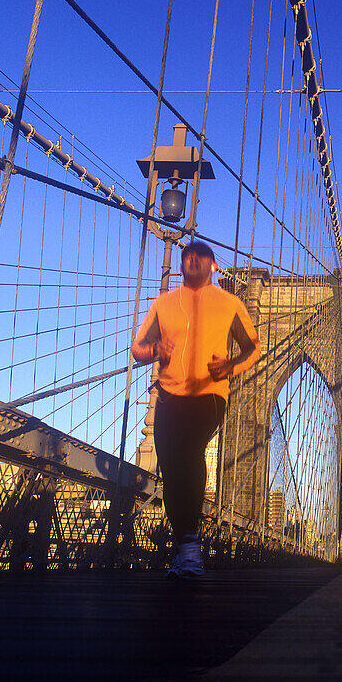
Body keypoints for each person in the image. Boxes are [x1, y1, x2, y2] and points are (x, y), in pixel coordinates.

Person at [131, 241, 260, 577]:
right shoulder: (164, 304)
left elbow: (254, 348)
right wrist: (157, 347)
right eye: (186, 259)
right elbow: (138, 348)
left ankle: (190, 548)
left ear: (213, 266)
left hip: (209, 395)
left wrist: (230, 365)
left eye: (198, 259)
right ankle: (185, 547)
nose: (190, 263)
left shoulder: (230, 303)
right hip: (170, 396)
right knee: (172, 469)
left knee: (189, 452)